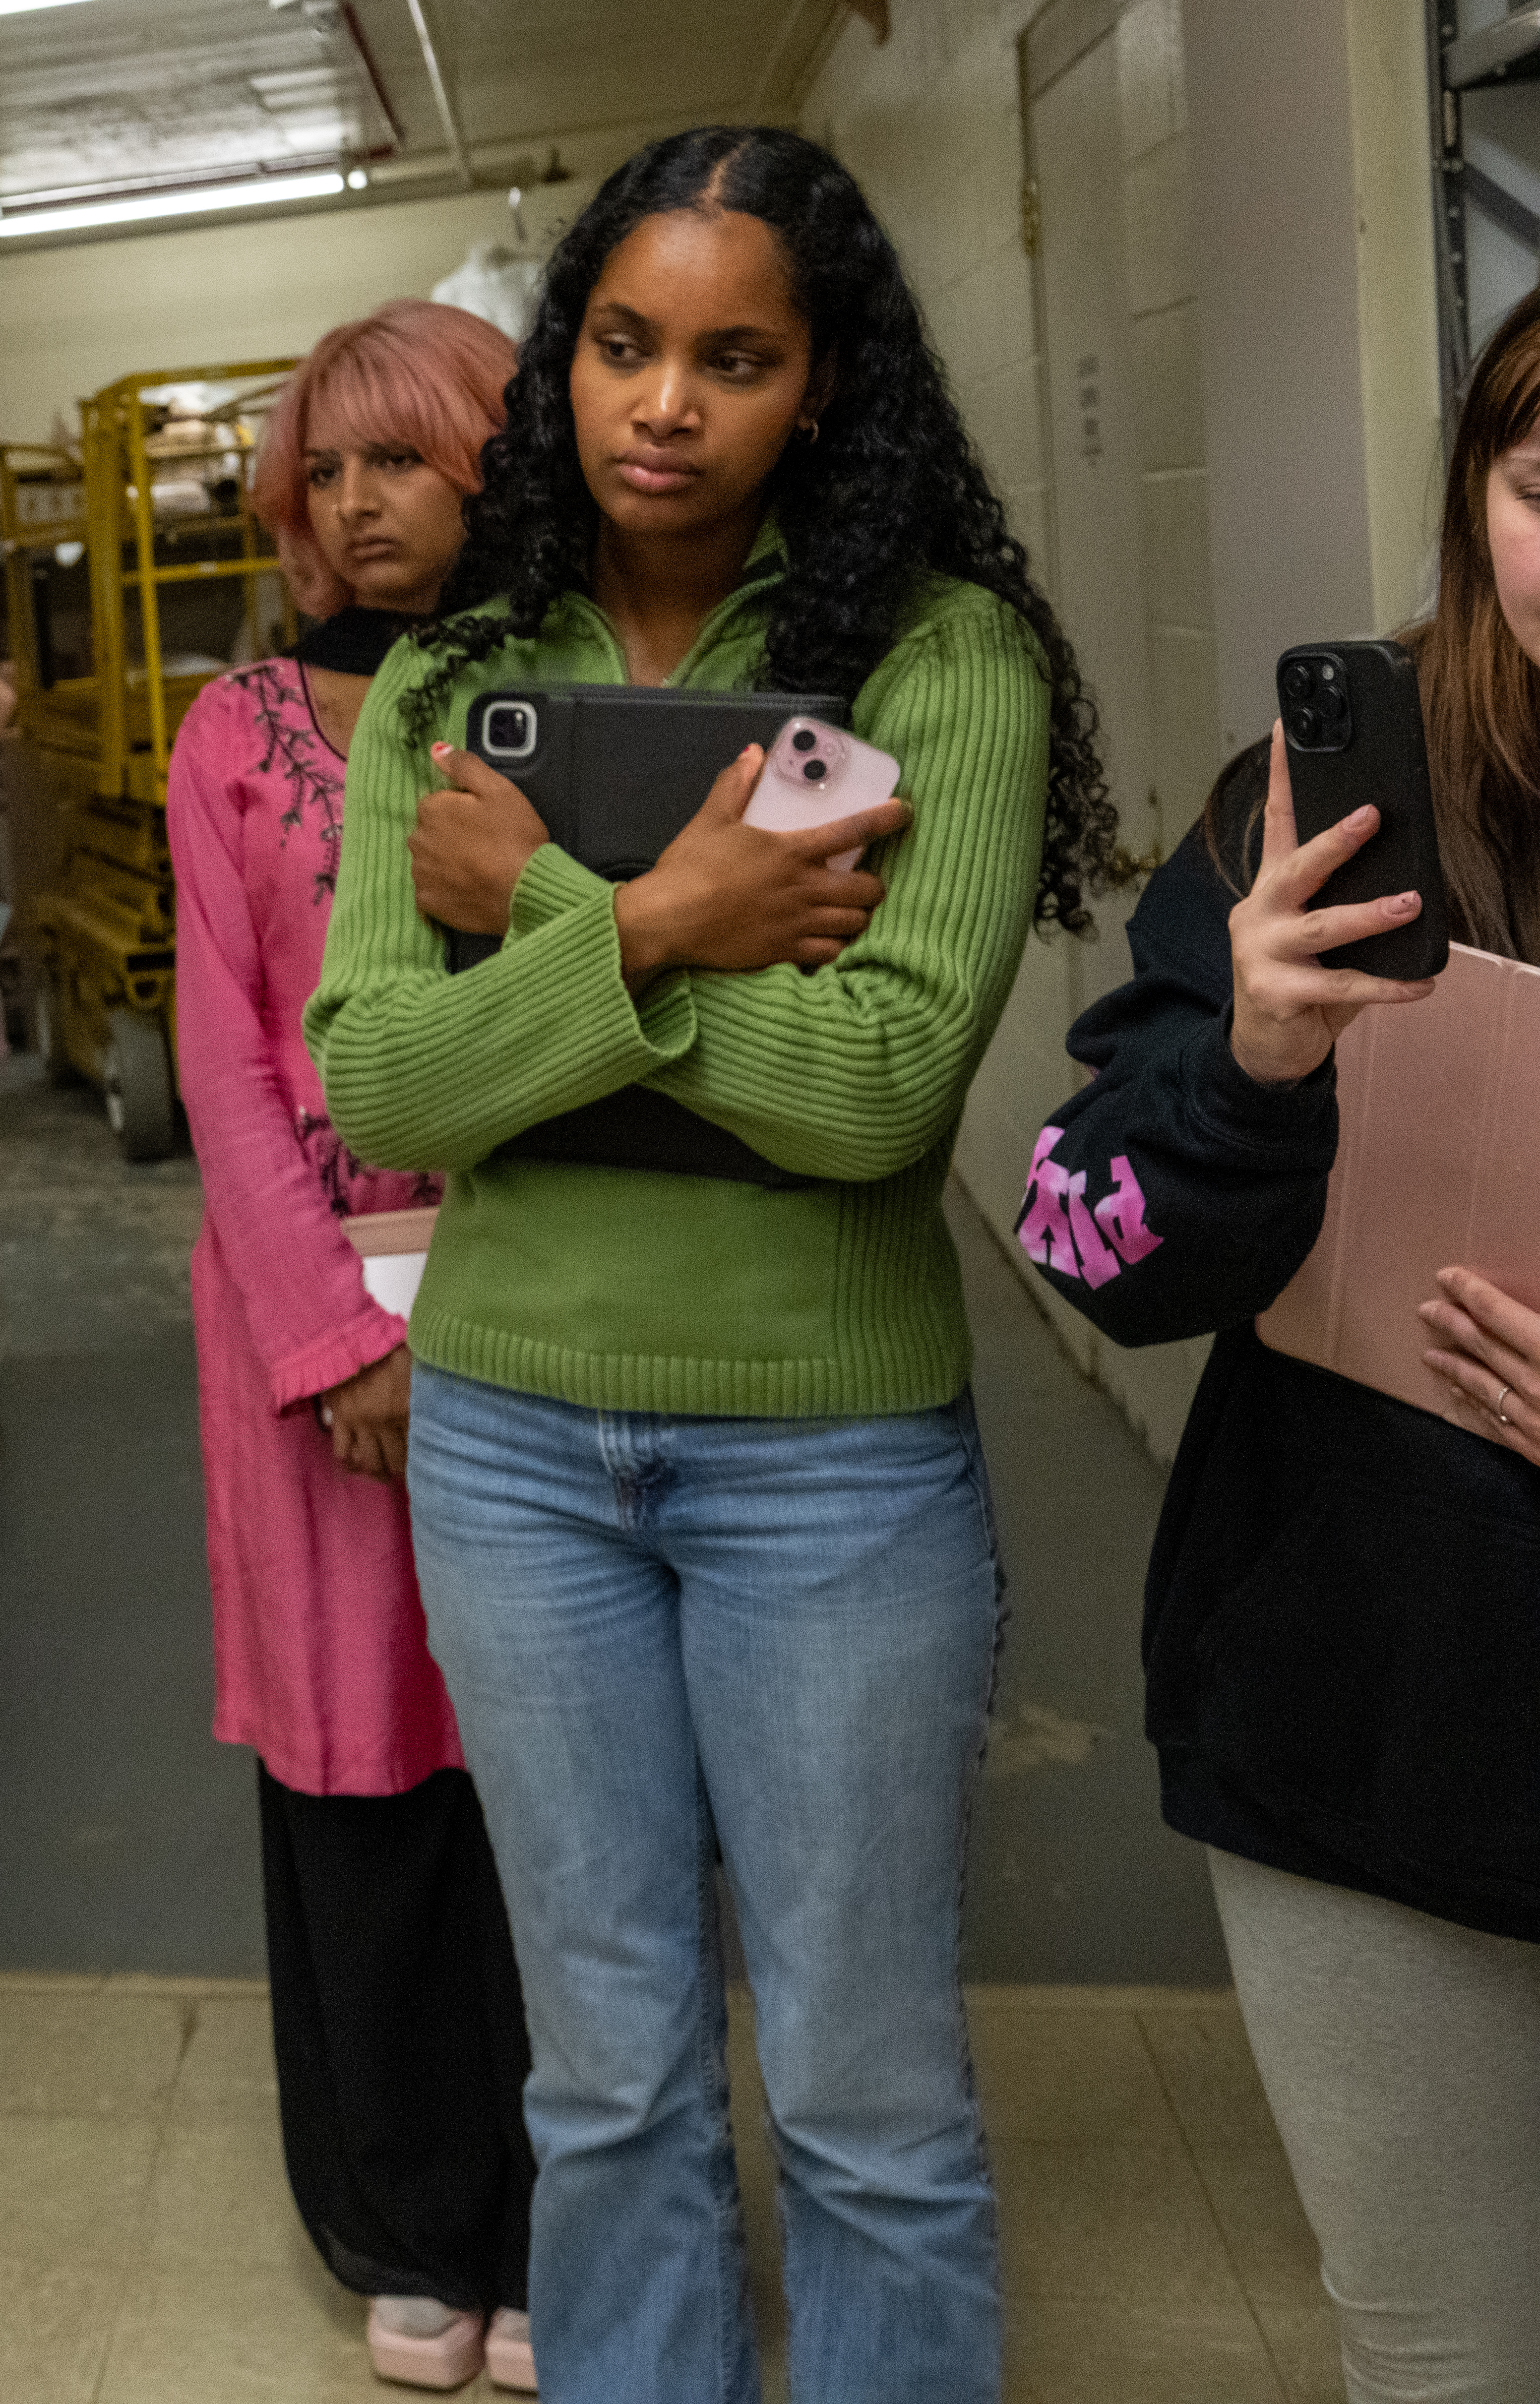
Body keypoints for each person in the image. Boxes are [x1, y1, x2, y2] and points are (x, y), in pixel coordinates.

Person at [304, 125, 1121, 2403]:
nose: (659, 400)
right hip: (508, 1450)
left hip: (829, 1464)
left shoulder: (932, 664)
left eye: (731, 356)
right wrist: (682, 922)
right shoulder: (452, 681)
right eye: (619, 342)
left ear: (823, 387)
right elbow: (384, 1081)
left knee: (862, 2100)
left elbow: (870, 1098)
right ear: (562, 360)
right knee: (606, 2078)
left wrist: (555, 920)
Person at [1015, 280, 1540, 2401]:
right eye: (1535, 479)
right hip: (1366, 1706)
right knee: (1443, 2357)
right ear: (1471, 506)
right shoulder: (1320, 808)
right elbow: (1086, 1228)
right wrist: (1242, 1055)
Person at [169, 297, 534, 2391]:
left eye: (404, 454)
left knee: (558, 1782)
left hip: (542, 1303)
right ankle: (408, 2215)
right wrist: (331, 1338)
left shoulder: (562, 698)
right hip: (306, 1338)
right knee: (365, 1777)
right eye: (327, 465)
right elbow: (220, 1059)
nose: (359, 499)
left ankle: (574, 2212)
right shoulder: (231, 733)